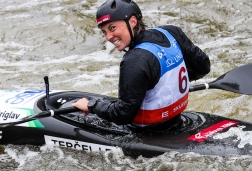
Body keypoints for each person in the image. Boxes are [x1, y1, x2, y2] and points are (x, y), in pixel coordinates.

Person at [73, 0, 210, 128]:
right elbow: (203, 67)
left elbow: (122, 115)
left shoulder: (135, 60)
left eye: (112, 28)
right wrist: (167, 85)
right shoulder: (171, 32)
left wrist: (91, 106)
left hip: (148, 133)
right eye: (104, 32)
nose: (108, 37)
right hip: (177, 120)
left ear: (132, 21)